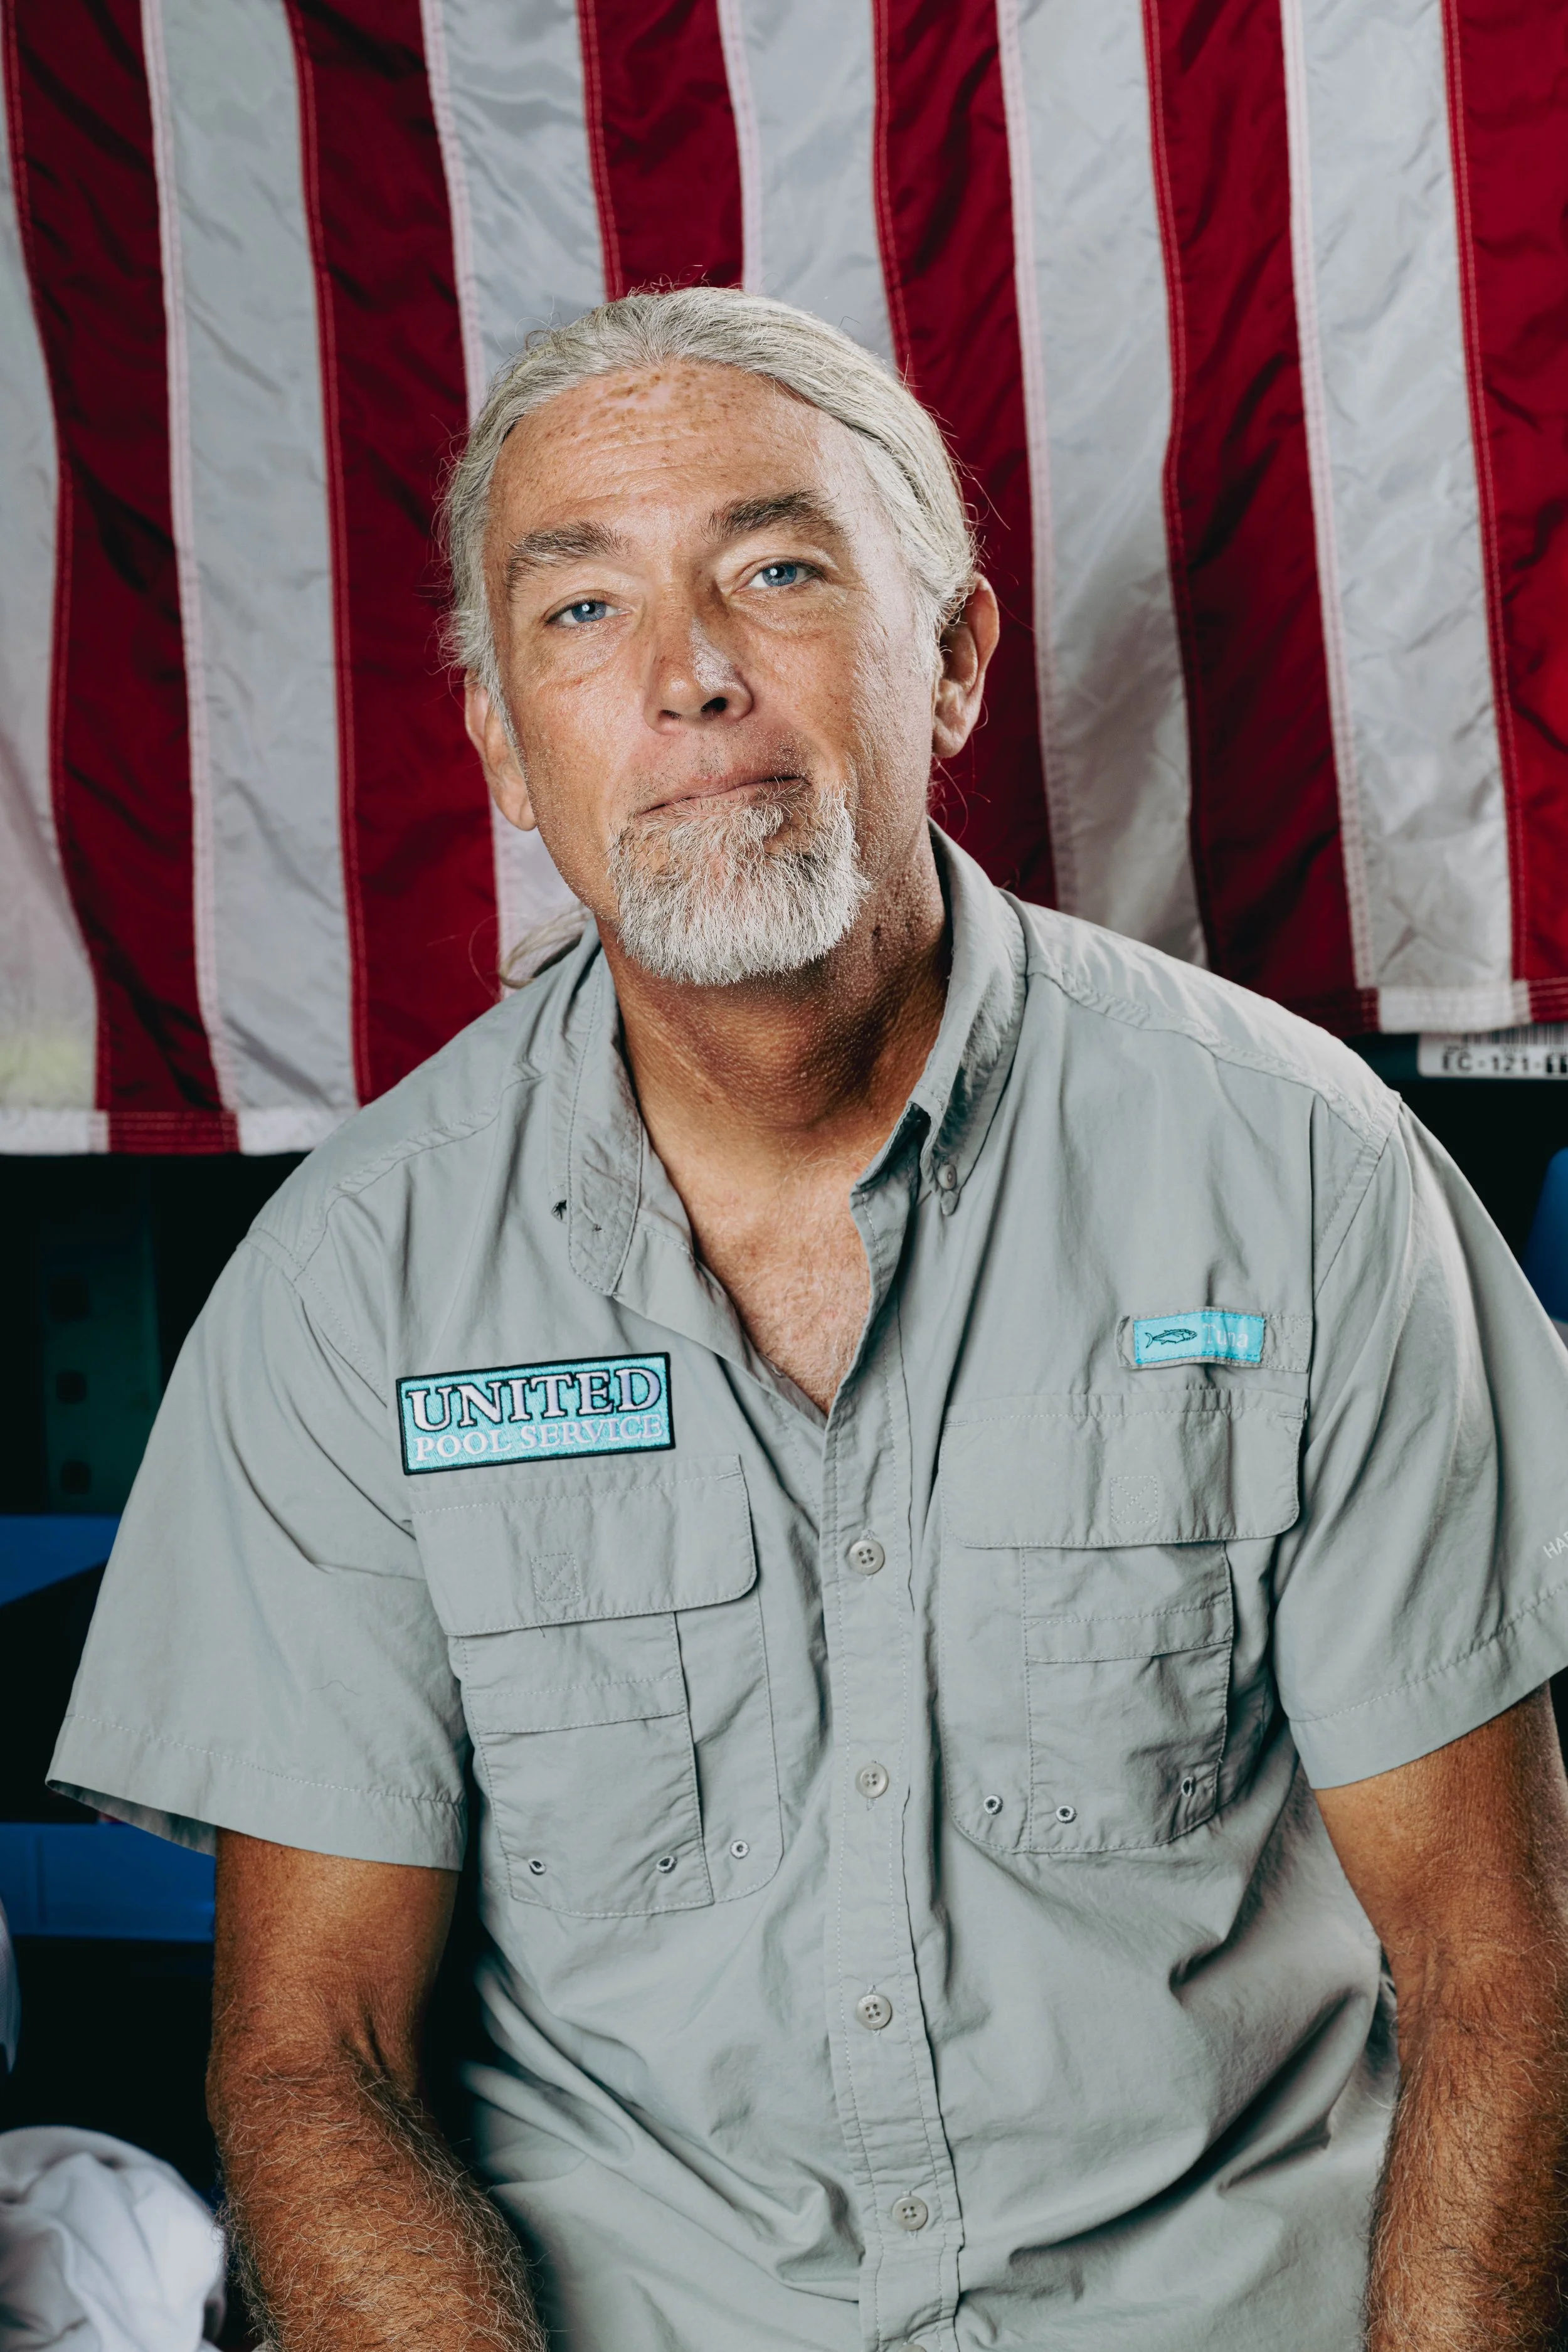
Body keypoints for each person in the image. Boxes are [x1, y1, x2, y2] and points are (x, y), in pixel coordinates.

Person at [50, 287, 1568, 2352]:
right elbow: (323, 2055)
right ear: (500, 737)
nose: (684, 678)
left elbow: (1497, 1952)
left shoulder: (1301, 1181)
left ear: (947, 660)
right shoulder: (351, 1290)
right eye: (576, 611)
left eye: (776, 570)